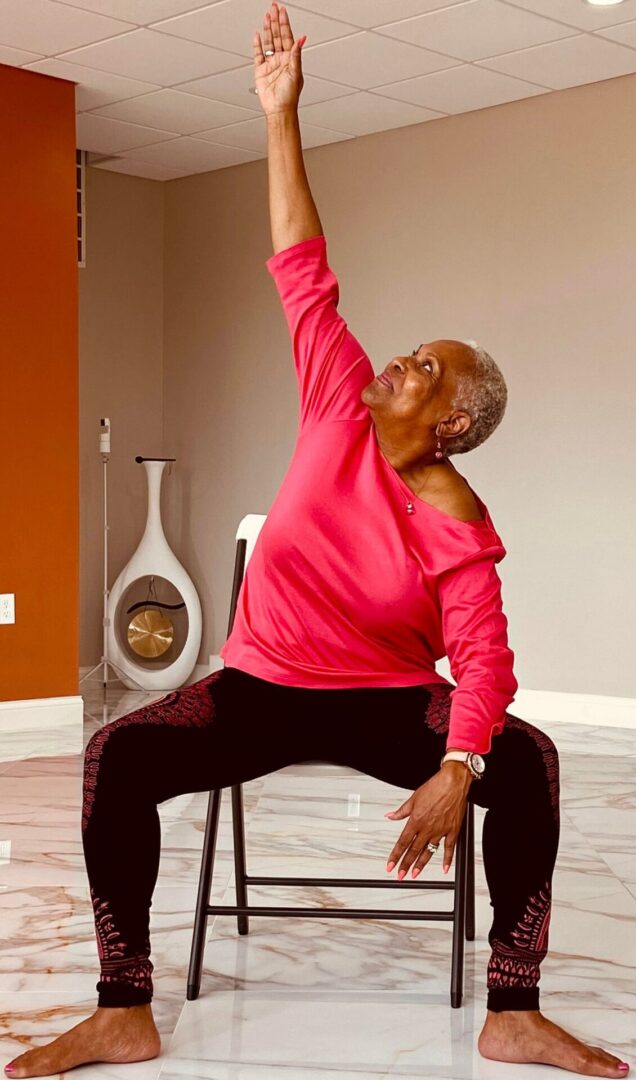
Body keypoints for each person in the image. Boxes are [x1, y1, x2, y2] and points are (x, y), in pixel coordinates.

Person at [4, 4, 629, 1078]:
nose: (398, 361)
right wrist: (281, 115)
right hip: (258, 687)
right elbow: (302, 260)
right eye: (410, 351)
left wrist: (459, 765)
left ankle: (512, 1011)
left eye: (425, 369)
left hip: (387, 700)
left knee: (532, 764)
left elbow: (484, 662)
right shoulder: (337, 397)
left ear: (455, 425)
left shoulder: (458, 524)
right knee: (115, 753)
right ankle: (123, 1008)